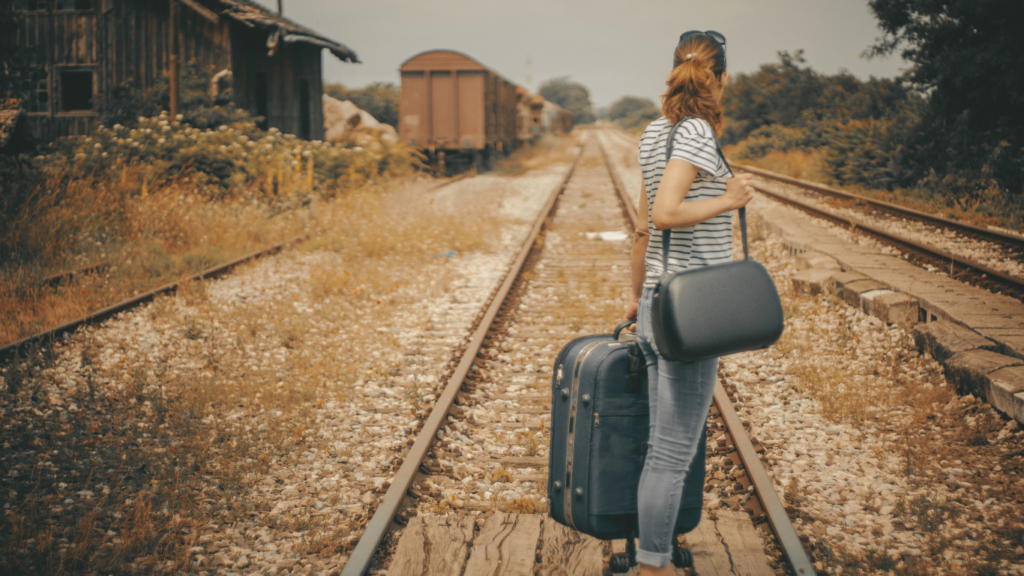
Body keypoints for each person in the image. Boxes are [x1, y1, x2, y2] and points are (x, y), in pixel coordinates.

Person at [623, 30, 756, 575]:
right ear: (721, 79)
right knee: (671, 453)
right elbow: (664, 216)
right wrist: (729, 198)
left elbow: (639, 229)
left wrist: (636, 296)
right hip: (690, 308)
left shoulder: (656, 133)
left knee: (660, 446)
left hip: (657, 300)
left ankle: (651, 551)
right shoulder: (698, 133)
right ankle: (653, 564)